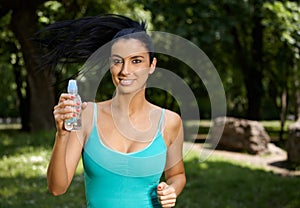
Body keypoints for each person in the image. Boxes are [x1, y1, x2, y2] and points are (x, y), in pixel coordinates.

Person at [39, 14, 186, 208]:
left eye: (136, 61)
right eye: (118, 61)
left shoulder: (169, 121)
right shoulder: (86, 115)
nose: (125, 70)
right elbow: (57, 188)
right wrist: (62, 135)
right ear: (110, 65)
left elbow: (177, 175)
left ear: (152, 65)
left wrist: (171, 190)